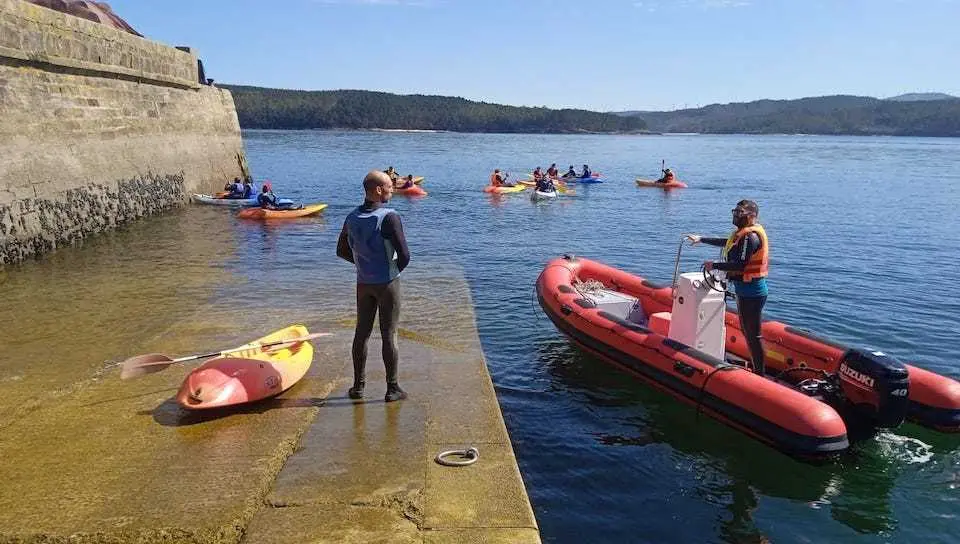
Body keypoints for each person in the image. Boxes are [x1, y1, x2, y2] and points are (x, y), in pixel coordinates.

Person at [337, 171, 411, 403]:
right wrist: (391, 269)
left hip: (363, 283)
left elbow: (341, 250)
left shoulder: (351, 217)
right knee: (389, 334)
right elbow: (405, 255)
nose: (393, 190)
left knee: (362, 333)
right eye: (390, 186)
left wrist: (362, 264)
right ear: (378, 190)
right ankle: (392, 388)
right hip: (387, 282)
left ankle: (358, 387)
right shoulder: (389, 217)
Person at [686, 200, 769, 375]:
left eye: (740, 213)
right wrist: (701, 239)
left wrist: (714, 265)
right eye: (735, 211)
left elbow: (740, 265)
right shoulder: (741, 235)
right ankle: (757, 369)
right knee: (747, 332)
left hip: (752, 292)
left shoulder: (750, 237)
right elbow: (727, 242)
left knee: (753, 334)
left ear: (752, 216)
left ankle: (760, 373)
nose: (736, 215)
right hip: (743, 290)